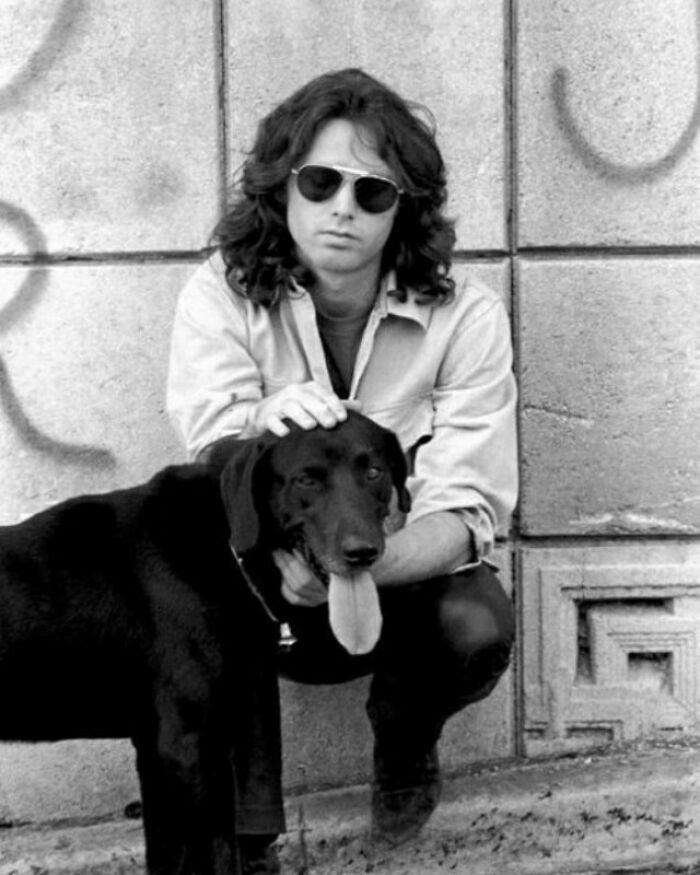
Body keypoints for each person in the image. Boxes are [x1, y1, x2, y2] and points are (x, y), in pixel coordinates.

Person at [167, 67, 517, 874]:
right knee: (199, 592)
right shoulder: (220, 298)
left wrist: (359, 560)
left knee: (475, 621)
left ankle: (403, 745)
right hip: (270, 577)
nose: (342, 210)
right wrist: (256, 428)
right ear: (280, 189)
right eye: (320, 182)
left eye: (373, 193)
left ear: (405, 211)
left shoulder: (465, 317)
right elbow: (207, 461)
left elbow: (469, 509)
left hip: (389, 576)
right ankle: (246, 833)